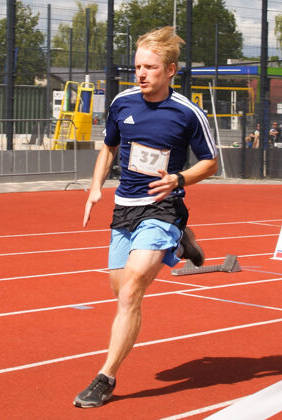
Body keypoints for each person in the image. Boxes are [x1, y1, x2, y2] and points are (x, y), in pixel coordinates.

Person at [73, 26, 218, 408]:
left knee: (133, 288)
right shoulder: (122, 103)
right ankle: (183, 241)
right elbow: (109, 147)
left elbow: (210, 163)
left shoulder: (187, 112)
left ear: (170, 70)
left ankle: (105, 377)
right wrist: (95, 187)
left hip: (163, 205)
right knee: (120, 289)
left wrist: (179, 179)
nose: (141, 74)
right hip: (125, 206)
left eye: (150, 67)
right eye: (137, 66)